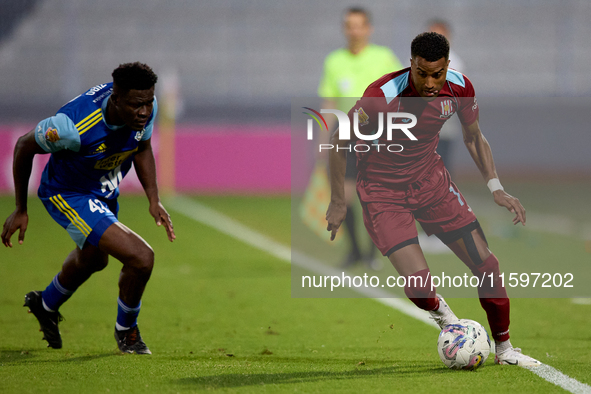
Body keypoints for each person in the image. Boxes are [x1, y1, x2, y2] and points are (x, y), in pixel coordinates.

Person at [325, 32, 540, 366]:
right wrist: (338, 199)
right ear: (411, 64)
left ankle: (505, 349)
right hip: (384, 195)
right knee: (419, 286)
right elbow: (339, 141)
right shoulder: (381, 96)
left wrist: (495, 186)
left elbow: (473, 137)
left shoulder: (459, 88)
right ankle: (447, 319)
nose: (429, 82)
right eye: (421, 73)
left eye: (436, 74)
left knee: (488, 265)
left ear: (447, 67)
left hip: (431, 184)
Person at [1, 62, 175, 354]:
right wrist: (20, 208)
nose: (144, 112)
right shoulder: (69, 127)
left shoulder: (147, 106)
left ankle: (45, 304)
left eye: (148, 102)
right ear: (116, 99)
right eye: (136, 105)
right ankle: (127, 332)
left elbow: (142, 147)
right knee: (141, 258)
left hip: (101, 191)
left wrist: (153, 199)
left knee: (94, 260)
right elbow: (22, 146)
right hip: (68, 194)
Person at [318, 7, 404, 269]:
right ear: (345, 29)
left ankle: (371, 252)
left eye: (359, 25)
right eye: (349, 25)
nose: (354, 31)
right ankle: (355, 250)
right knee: (344, 195)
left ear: (369, 29)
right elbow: (329, 102)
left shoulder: (384, 58)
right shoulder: (334, 61)